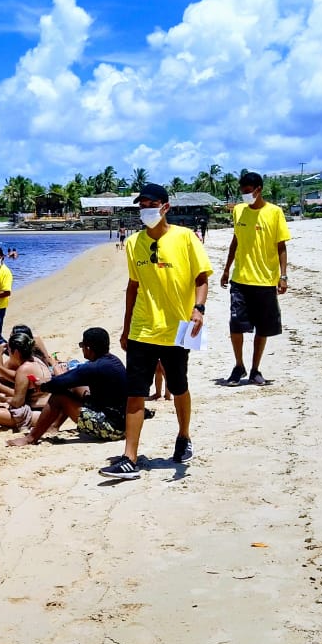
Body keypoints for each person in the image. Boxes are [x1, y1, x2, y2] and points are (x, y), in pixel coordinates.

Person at [99, 183, 212, 480]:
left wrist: (198, 309)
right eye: (141, 205)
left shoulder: (186, 238)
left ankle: (184, 436)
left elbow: (201, 278)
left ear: (165, 207)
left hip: (177, 329)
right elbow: (133, 287)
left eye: (150, 204)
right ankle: (129, 457)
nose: (145, 210)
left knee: (178, 388)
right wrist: (125, 329)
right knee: (135, 394)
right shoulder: (134, 243)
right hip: (142, 329)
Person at [219, 171, 290, 386]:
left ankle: (255, 369)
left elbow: (281, 246)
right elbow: (236, 241)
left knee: (263, 328)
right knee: (236, 325)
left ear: (258, 190)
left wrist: (283, 275)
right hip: (240, 279)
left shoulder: (275, 213)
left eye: (248, 191)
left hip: (266, 281)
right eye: (242, 191)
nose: (244, 195)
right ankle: (238, 366)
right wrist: (226, 269)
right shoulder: (239, 211)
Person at [8, 327, 127, 447]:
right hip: (122, 421)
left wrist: (43, 386)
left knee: (59, 397)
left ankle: (31, 438)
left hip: (113, 429)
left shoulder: (94, 367)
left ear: (88, 348)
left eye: (82, 345)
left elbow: (63, 381)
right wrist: (48, 383)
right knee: (75, 388)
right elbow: (70, 378)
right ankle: (53, 426)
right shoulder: (112, 361)